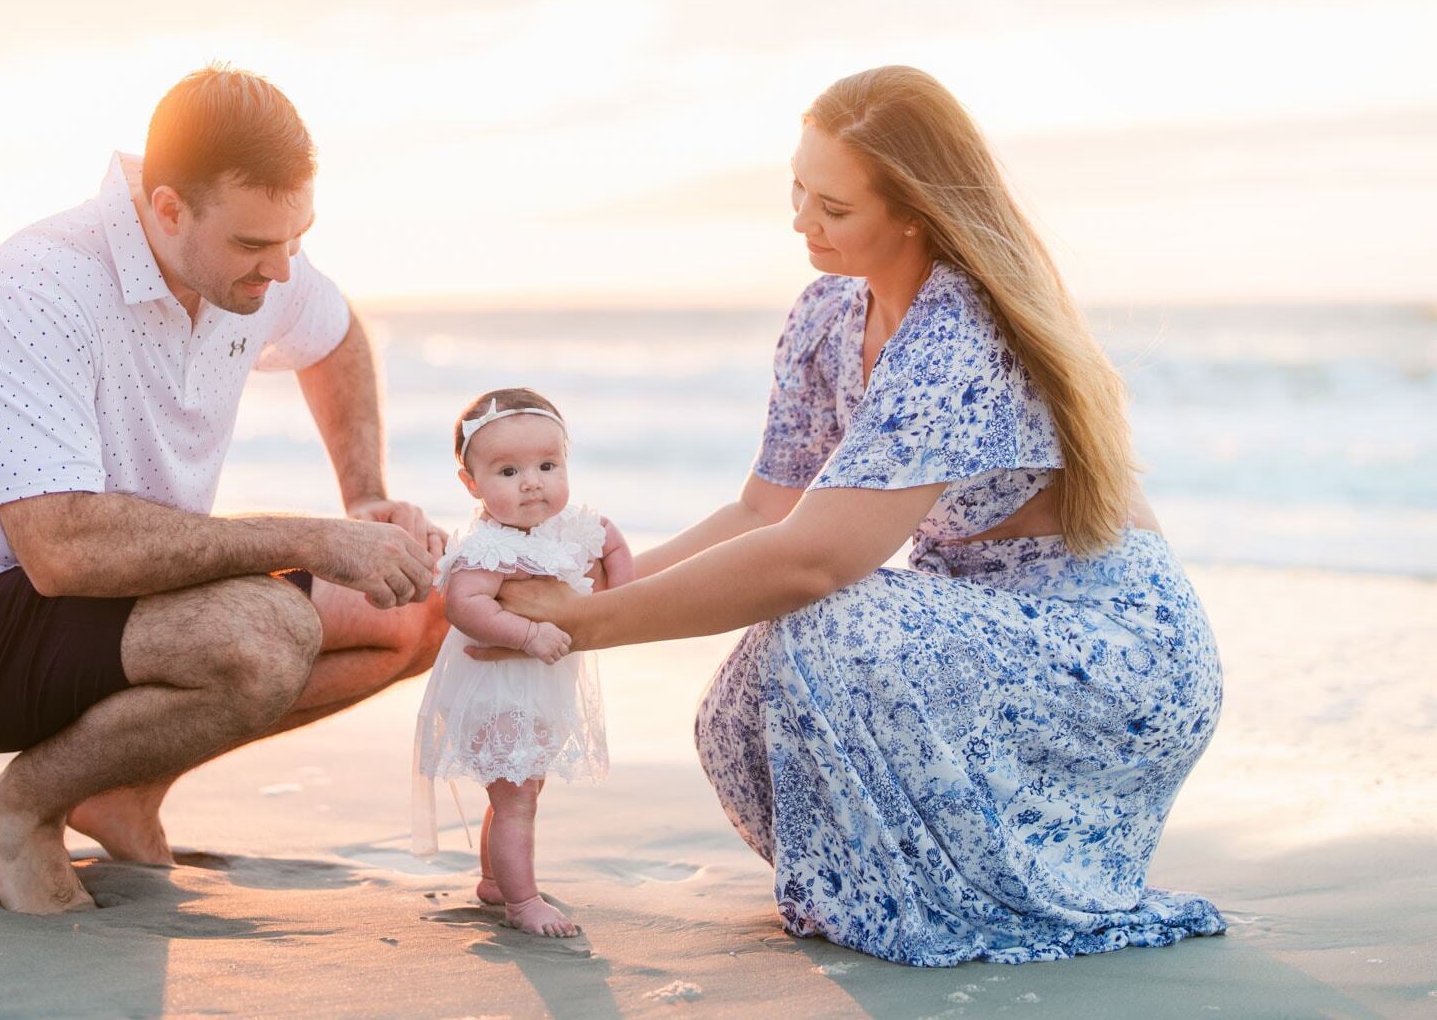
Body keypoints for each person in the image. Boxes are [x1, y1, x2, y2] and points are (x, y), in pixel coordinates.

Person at [479, 66, 1226, 966]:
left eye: (832, 206)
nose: (801, 219)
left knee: (826, 620)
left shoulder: (961, 333)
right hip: (974, 620)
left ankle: (964, 900)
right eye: (797, 187)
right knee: (736, 720)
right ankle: (896, 890)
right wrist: (577, 580)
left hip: (1107, 652)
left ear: (914, 212)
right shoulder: (829, 313)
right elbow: (766, 508)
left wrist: (583, 625)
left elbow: (814, 561)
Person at [0, 67, 448, 914]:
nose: (283, 271)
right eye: (256, 246)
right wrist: (314, 539)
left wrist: (363, 497)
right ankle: (22, 811)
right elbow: (60, 549)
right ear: (169, 209)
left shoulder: (252, 262)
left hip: (120, 600)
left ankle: (121, 791)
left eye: (297, 238)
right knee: (266, 633)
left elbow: (336, 333)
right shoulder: (42, 282)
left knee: (412, 609)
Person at [413, 389, 633, 937]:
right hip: (498, 690)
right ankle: (522, 902)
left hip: (539, 689)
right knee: (516, 801)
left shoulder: (575, 526)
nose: (532, 481)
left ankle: (495, 880)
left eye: (547, 465)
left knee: (521, 787)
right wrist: (528, 632)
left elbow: (613, 543)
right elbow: (463, 606)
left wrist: (621, 604)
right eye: (508, 471)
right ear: (472, 484)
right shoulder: (487, 547)